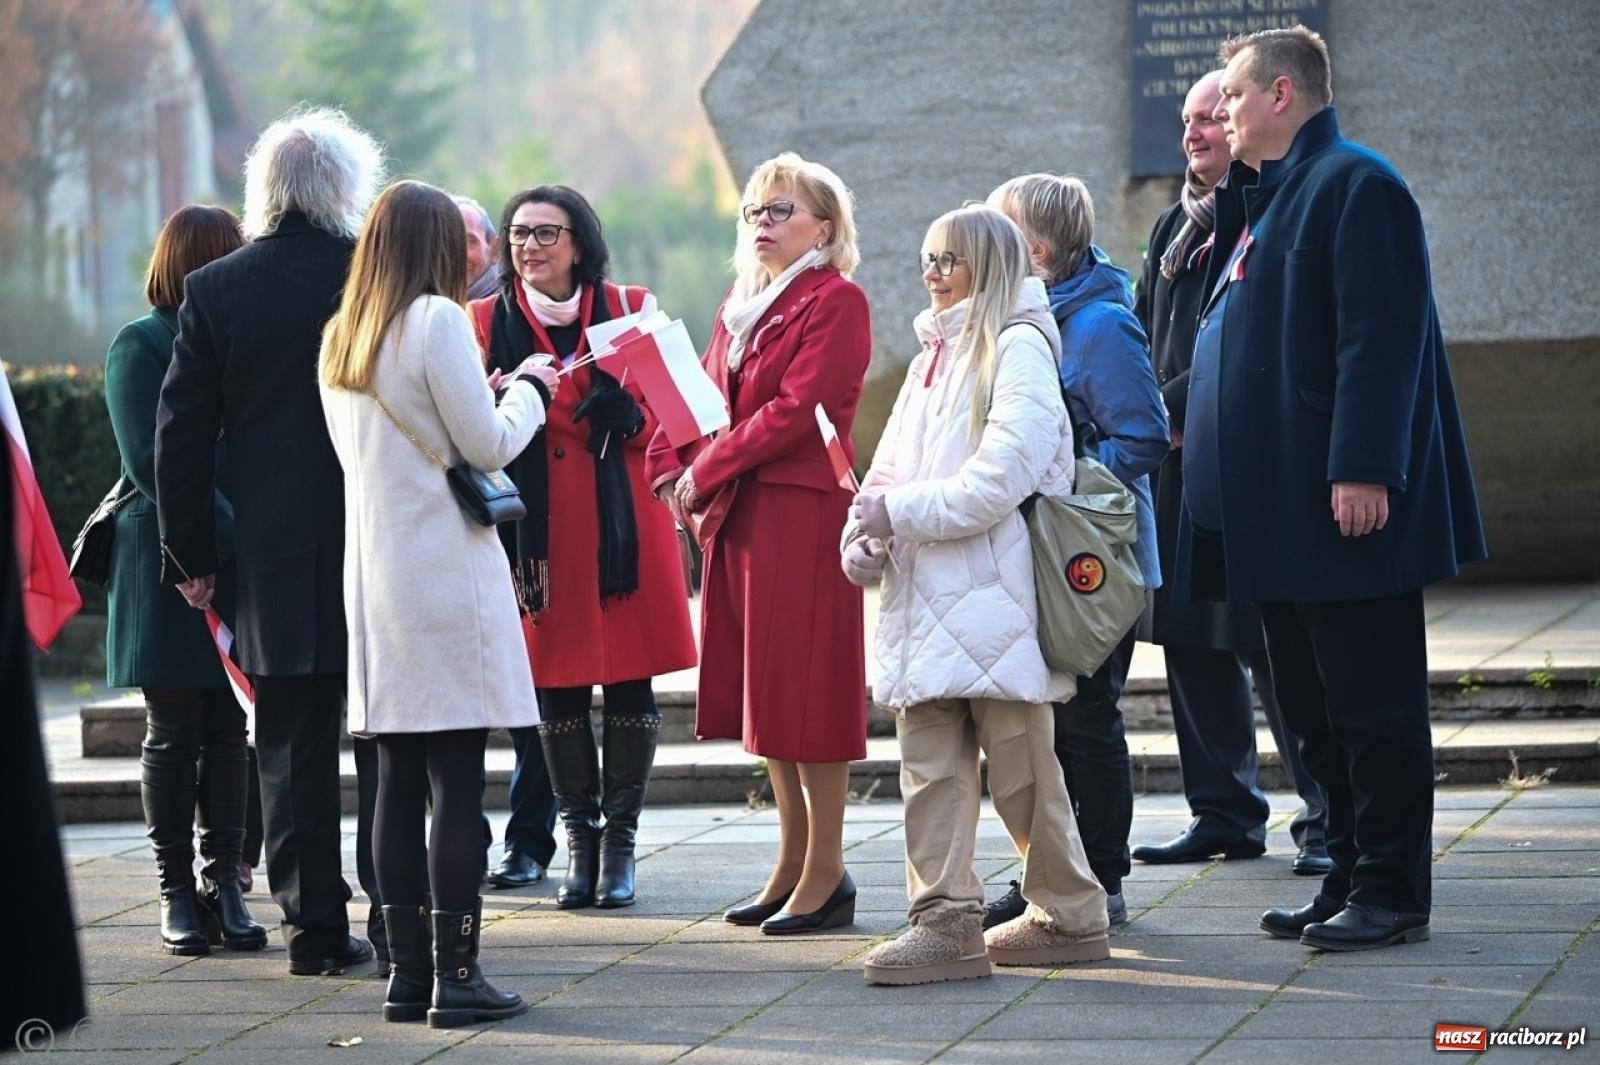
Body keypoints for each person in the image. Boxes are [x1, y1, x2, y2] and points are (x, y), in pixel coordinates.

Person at [1179, 26, 1485, 951]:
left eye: (1231, 96)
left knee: (1372, 707)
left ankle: (1393, 891)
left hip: (1343, 509)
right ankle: (1347, 874)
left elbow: (1377, 343)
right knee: (1313, 712)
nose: (1220, 113)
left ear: (1280, 94)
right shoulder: (1269, 200)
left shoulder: (1359, 185)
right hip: (1280, 520)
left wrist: (1364, 465)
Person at [845, 205, 1108, 985]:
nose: (931, 273)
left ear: (988, 264)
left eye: (948, 259)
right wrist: (864, 537)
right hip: (922, 596)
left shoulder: (1019, 346)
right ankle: (945, 923)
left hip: (996, 596)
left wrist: (900, 514)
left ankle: (1070, 913)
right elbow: (887, 471)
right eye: (926, 258)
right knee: (928, 768)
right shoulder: (934, 352)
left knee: (1025, 771)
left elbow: (1005, 477)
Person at [155, 107, 388, 976]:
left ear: (264, 192)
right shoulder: (375, 275)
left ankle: (315, 934)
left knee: (288, 752)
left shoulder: (217, 289)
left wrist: (191, 559)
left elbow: (179, 438)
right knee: (389, 743)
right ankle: (398, 917)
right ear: (346, 189)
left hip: (277, 558)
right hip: (381, 543)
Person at [320, 179, 555, 1027]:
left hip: (375, 578)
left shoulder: (341, 335)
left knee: (394, 779)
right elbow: (488, 443)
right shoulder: (438, 320)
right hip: (443, 576)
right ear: (428, 245)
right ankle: (459, 977)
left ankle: (406, 975)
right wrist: (529, 387)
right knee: (458, 778)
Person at [645, 152, 869, 935]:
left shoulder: (836, 300)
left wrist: (702, 467)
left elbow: (794, 409)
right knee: (768, 693)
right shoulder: (740, 304)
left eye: (781, 211)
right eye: (754, 211)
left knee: (808, 690)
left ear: (825, 227)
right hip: (742, 514)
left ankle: (829, 868)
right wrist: (668, 463)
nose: (763, 224)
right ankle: (793, 857)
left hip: (801, 513)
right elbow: (697, 399)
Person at [470, 185, 696, 907]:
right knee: (555, 685)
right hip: (538, 533)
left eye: (546, 232)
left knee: (631, 679)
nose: (530, 247)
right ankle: (580, 838)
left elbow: (685, 413)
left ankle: (621, 842)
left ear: (579, 241)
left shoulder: (632, 306)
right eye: (518, 234)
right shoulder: (482, 322)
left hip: (622, 522)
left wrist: (632, 419)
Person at [1130, 71, 1330, 875]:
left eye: (1211, 116)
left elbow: (1241, 344)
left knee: (1273, 649)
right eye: (1187, 119)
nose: (1196, 132)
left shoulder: (1258, 219)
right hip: (1173, 470)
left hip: (1235, 460)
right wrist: (1144, 411)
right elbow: (1147, 335)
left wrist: (1166, 410)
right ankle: (1223, 812)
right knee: (1188, 641)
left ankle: (1324, 817)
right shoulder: (1170, 227)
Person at [984, 173, 1168, 929]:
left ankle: (1102, 875)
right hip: (1031, 556)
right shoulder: (1020, 320)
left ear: (1033, 248)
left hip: (1087, 563)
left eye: (998, 234)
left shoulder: (1097, 324)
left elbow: (1144, 435)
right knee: (1035, 723)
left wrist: (1064, 478)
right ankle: (1047, 871)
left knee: (1087, 716)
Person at [104, 204, 267, 955]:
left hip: (232, 559)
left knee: (230, 729)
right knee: (172, 732)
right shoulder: (140, 344)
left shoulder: (237, 334)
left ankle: (226, 882)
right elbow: (150, 461)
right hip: (168, 559)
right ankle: (176, 889)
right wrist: (212, 544)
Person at [455, 195, 501, 301]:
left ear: (495, 250)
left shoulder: (510, 309)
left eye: (467, 242)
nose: (454, 255)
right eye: (444, 243)